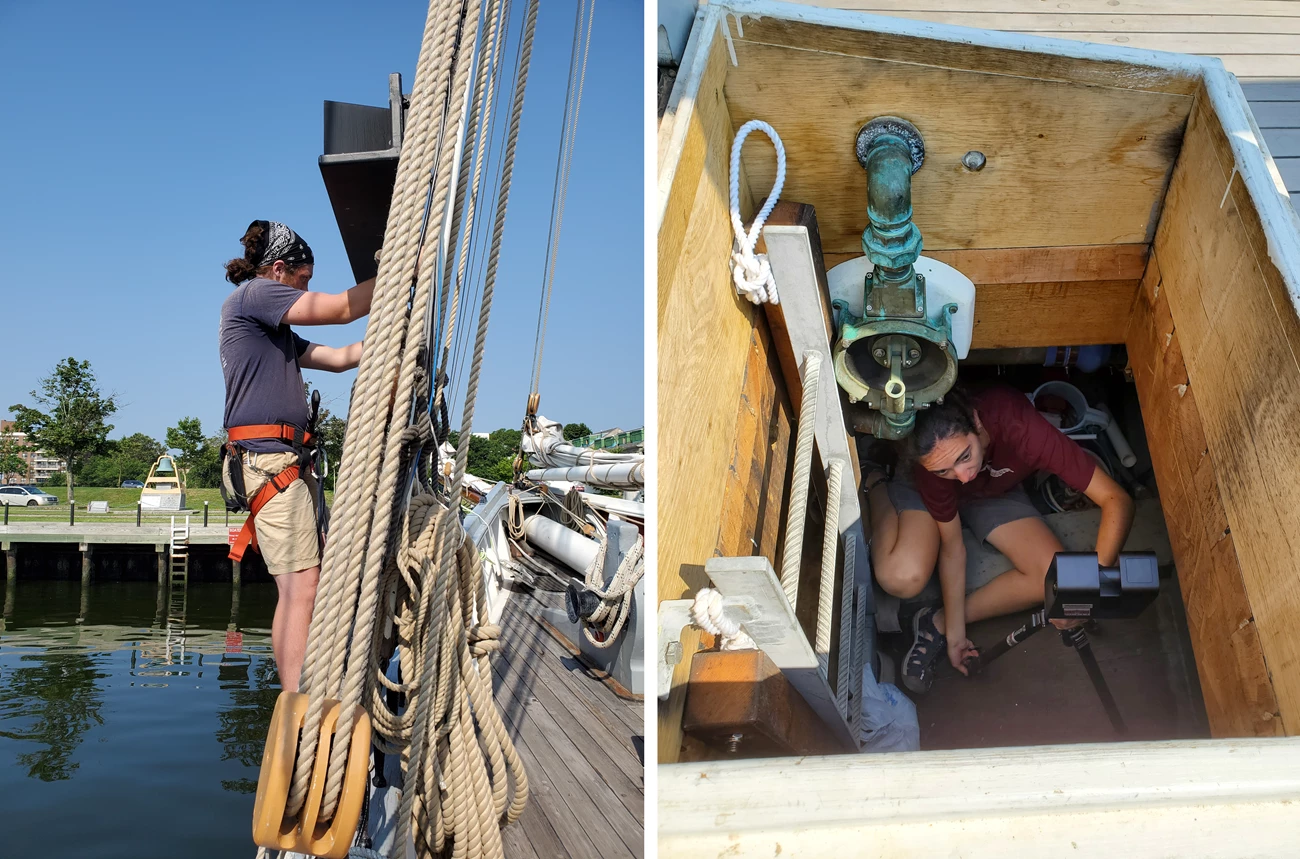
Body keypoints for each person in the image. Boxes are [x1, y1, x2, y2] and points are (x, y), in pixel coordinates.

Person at [861, 383, 1135, 694]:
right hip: (931, 495)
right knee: (901, 576)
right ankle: (874, 478)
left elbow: (1116, 499)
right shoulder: (933, 467)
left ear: (976, 423)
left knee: (1057, 582)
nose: (962, 475)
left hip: (994, 488)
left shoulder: (1020, 427)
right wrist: (957, 638)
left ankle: (934, 622)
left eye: (965, 455)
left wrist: (1086, 588)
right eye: (945, 469)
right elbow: (953, 548)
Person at [219, 220, 374, 693]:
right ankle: (295, 701)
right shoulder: (257, 294)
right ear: (280, 269)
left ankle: (303, 689)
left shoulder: (276, 334)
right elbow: (342, 310)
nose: (305, 292)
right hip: (269, 462)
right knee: (299, 587)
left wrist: (397, 342)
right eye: (304, 281)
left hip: (286, 462)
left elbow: (343, 356)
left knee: (305, 584)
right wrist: (402, 272)